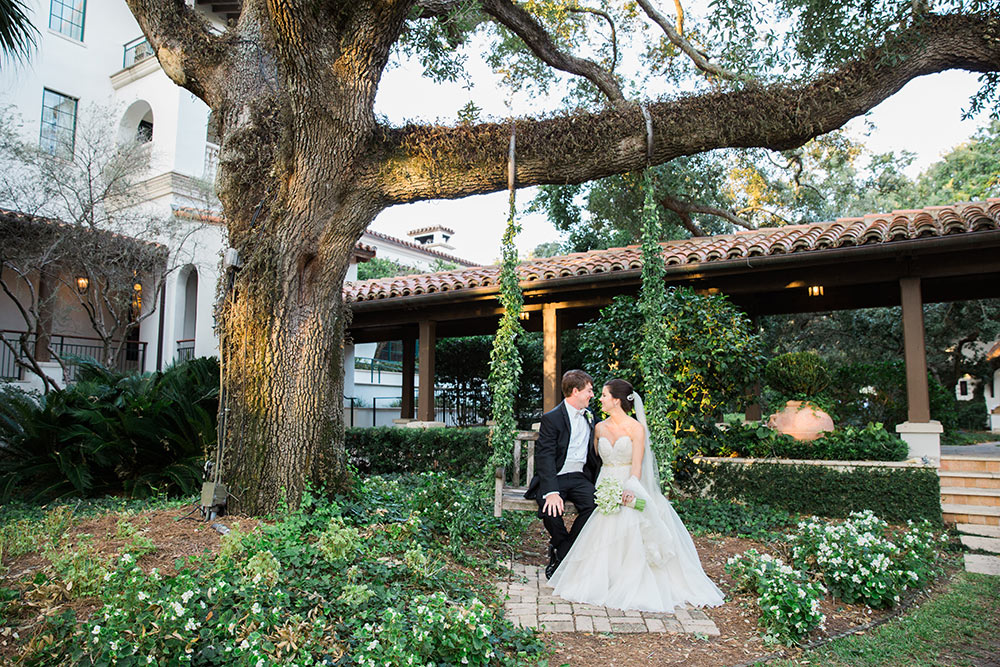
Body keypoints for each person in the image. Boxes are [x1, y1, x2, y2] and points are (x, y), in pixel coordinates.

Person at [548, 378, 725, 613]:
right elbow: (593, 461)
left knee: (631, 520)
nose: (599, 399)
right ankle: (600, 577)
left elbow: (637, 467)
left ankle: (627, 578)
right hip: (605, 484)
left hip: (628, 483)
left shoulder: (636, 429)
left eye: (603, 395)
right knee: (601, 526)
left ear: (617, 400)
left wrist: (629, 490)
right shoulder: (598, 427)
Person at [524, 369, 602, 579]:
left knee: (596, 507)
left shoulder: (590, 416)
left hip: (579, 477)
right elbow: (545, 456)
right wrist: (551, 491)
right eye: (589, 390)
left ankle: (561, 550)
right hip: (555, 476)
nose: (592, 395)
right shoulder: (552, 418)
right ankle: (564, 549)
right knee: (550, 509)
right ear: (575, 391)